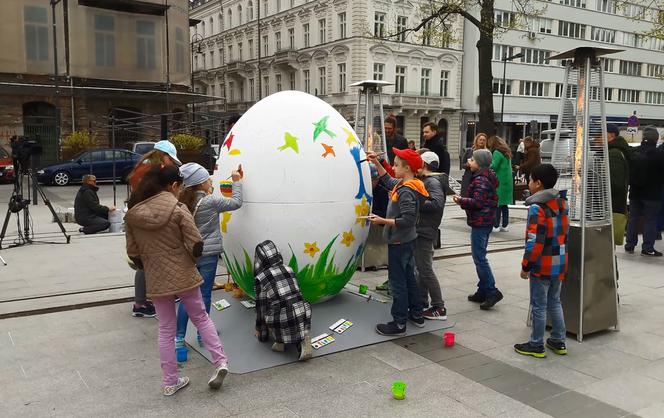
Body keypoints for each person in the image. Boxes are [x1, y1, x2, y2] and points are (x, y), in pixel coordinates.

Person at [125, 165, 228, 396]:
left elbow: (133, 253)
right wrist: (187, 261)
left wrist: (151, 265)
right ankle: (220, 362)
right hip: (185, 274)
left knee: (165, 329)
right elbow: (196, 244)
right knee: (201, 317)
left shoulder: (133, 215)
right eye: (179, 187)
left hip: (157, 279)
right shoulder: (179, 209)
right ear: (173, 186)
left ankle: (171, 382)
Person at [175, 162, 243, 350]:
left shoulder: (181, 202)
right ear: (200, 183)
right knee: (204, 295)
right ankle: (202, 335)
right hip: (207, 254)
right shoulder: (210, 201)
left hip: (188, 255)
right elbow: (236, 202)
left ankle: (179, 338)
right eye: (207, 179)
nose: (210, 180)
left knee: (187, 296)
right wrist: (236, 181)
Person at [367, 148, 429, 335]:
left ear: (408, 168)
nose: (393, 168)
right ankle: (416, 314)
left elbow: (408, 220)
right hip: (407, 242)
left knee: (397, 282)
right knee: (409, 277)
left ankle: (399, 322)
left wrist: (382, 220)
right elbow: (388, 180)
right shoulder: (408, 184)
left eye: (396, 165)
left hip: (399, 243)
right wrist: (377, 162)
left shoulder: (406, 192)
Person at [514, 164, 569, 358]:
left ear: (538, 183)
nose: (528, 183)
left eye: (530, 180)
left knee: (538, 304)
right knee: (555, 301)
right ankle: (558, 340)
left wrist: (526, 266)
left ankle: (536, 343)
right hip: (560, 261)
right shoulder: (563, 203)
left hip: (542, 263)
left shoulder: (537, 208)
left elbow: (535, 241)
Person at [127, 140, 182, 318]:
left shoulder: (142, 166)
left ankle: (142, 301)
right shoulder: (155, 170)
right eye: (171, 160)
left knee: (143, 260)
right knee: (147, 260)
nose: (171, 164)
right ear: (164, 155)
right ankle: (143, 303)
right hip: (147, 216)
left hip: (138, 215)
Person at [452, 149, 503, 310]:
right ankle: (482, 290)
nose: (469, 162)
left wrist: (461, 200)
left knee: (479, 257)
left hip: (481, 222)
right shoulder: (486, 176)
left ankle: (492, 291)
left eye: (472, 160)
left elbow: (478, 202)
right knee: (480, 256)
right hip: (485, 220)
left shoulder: (481, 179)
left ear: (480, 163)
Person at [254, 240, 312, 361]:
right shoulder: (289, 268)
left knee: (275, 311)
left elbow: (261, 308)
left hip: (283, 318)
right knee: (290, 305)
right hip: (304, 312)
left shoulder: (261, 278)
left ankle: (280, 340)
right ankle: (302, 338)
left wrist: (261, 333)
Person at [417, 151, 454, 320]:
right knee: (421, 269)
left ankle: (439, 307)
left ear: (424, 164)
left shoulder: (432, 181)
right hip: (423, 229)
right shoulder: (428, 180)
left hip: (425, 230)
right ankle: (422, 301)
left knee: (425, 270)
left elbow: (437, 204)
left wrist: (415, 200)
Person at [625, 126, 664, 256]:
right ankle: (647, 248)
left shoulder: (635, 151)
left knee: (633, 218)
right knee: (650, 220)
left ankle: (629, 245)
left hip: (635, 192)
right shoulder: (659, 154)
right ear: (656, 138)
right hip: (652, 194)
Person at [606, 124, 631, 245]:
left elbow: (614, 184)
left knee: (607, 244)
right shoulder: (612, 151)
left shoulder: (614, 153)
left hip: (611, 208)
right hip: (614, 207)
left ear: (611, 135)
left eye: (600, 135)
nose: (595, 138)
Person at [488, 136, 514, 232]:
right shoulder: (507, 152)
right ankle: (505, 225)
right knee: (504, 205)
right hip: (507, 181)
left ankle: (495, 225)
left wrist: (485, 164)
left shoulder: (497, 152)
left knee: (497, 204)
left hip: (499, 181)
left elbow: (493, 166)